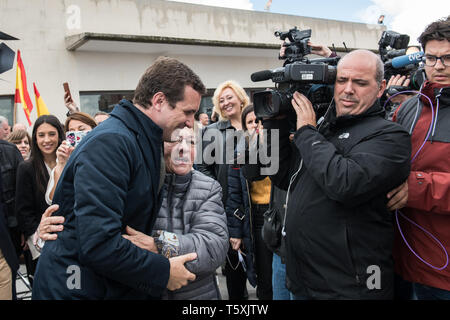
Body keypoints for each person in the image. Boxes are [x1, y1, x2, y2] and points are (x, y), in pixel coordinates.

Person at [32, 56, 206, 300]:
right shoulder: (112, 142)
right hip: (76, 289)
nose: (190, 122)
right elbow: (99, 243)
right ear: (159, 101)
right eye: (187, 112)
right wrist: (163, 272)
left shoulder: (143, 138)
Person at [262, 49, 411, 299]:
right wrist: (275, 123)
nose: (348, 89)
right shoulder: (323, 128)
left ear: (381, 86)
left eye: (360, 82)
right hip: (303, 282)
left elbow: (344, 184)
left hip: (351, 288)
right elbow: (282, 178)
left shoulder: (390, 136)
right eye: (342, 81)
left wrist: (307, 133)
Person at [38, 126, 229, 300]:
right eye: (175, 140)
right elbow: (100, 238)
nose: (184, 148)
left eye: (192, 142)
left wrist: (159, 244)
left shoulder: (208, 187)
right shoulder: (135, 182)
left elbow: (214, 247)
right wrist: (51, 233)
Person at [391, 16, 450, 300]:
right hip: (401, 263)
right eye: (432, 58)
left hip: (442, 275)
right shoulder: (409, 108)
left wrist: (418, 187)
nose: (439, 66)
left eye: (448, 58)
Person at [196, 80, 251, 300]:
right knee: (234, 271)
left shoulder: (255, 124)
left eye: (230, 97)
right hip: (228, 208)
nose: (226, 102)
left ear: (240, 98)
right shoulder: (212, 131)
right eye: (221, 100)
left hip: (256, 207)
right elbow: (201, 167)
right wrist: (218, 192)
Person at [226, 105, 273, 300]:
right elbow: (234, 194)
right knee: (264, 276)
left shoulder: (280, 146)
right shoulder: (239, 152)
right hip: (256, 217)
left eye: (259, 121)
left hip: (280, 214)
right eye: (250, 122)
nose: (256, 125)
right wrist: (236, 232)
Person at [15, 115, 64, 285]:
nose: (47, 140)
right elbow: (23, 211)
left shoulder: (71, 162)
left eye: (52, 134)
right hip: (41, 243)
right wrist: (38, 239)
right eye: (41, 135)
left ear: (60, 135)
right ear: (35, 138)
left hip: (69, 239)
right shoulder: (27, 167)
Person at [44, 112, 97, 205]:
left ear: (94, 130)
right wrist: (61, 163)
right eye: (72, 131)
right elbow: (52, 199)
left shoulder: (102, 154)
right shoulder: (65, 160)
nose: (76, 133)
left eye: (81, 129)